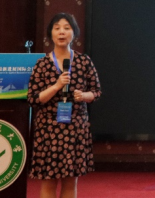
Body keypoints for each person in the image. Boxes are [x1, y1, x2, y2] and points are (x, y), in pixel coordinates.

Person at [27, 13, 101, 198]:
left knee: (70, 182)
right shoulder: (42, 64)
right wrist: (57, 86)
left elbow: (96, 92)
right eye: (57, 28)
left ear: (74, 33)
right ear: (50, 33)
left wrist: (84, 96)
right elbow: (34, 98)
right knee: (48, 181)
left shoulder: (84, 62)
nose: (62, 32)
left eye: (67, 28)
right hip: (48, 129)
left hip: (75, 127)